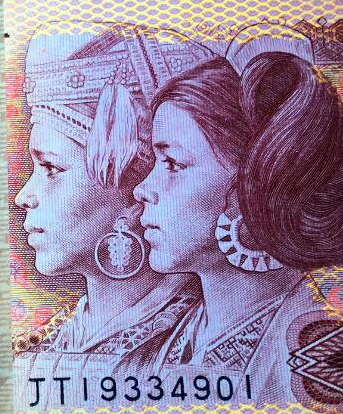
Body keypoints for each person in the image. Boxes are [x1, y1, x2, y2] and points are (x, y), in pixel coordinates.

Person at [132, 24, 343, 403]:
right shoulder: (166, 340)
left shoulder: (319, 349)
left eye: (173, 163)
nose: (141, 189)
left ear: (255, 182)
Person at [12, 21, 217, 395]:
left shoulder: (205, 345)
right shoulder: (40, 350)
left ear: (134, 193)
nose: (24, 196)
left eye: (51, 167)